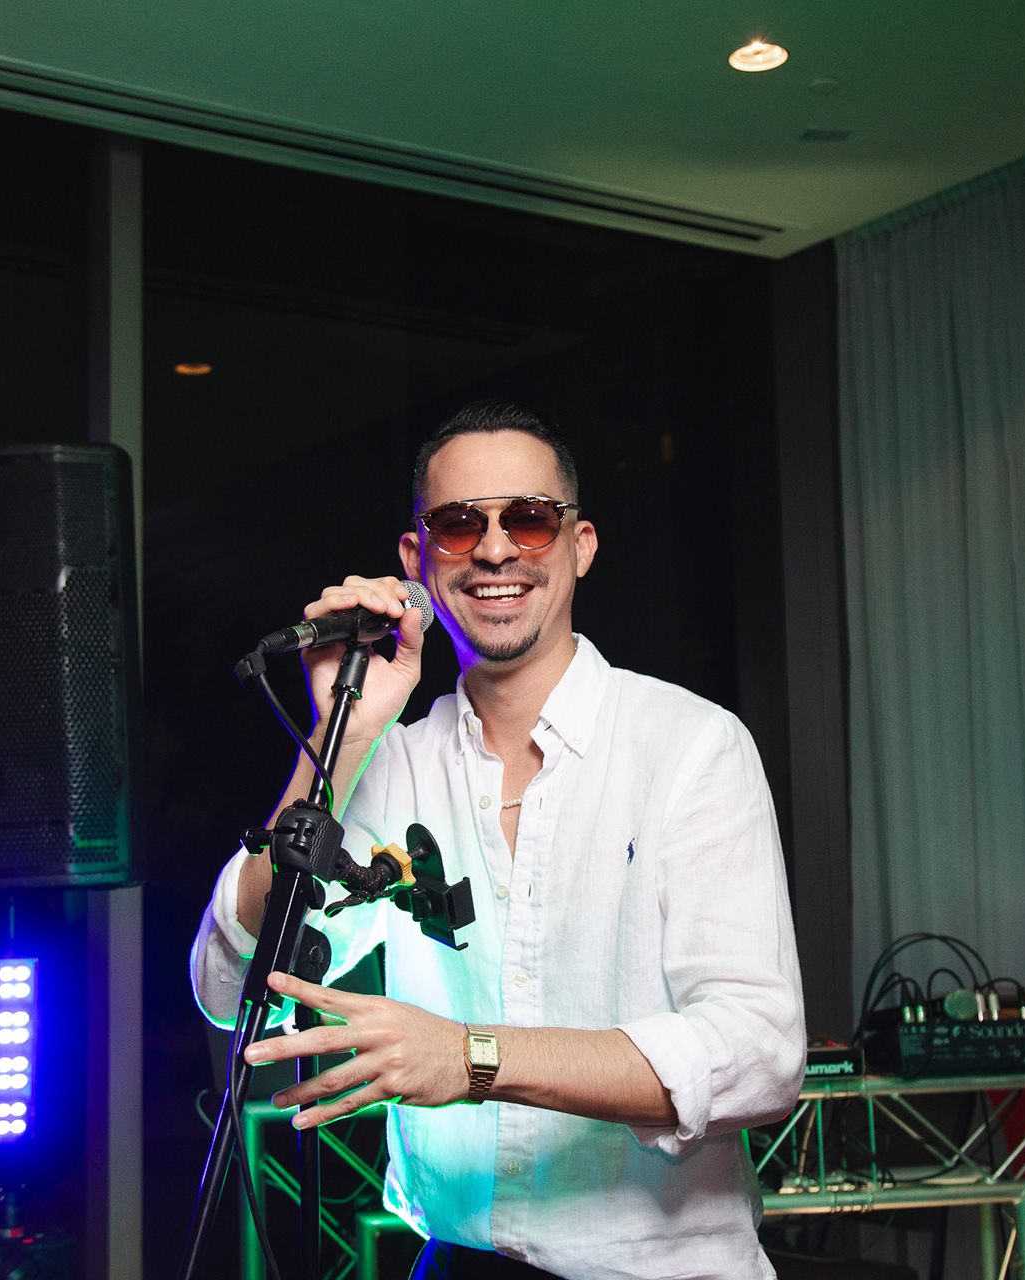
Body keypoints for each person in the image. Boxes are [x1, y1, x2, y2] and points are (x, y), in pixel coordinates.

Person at [191, 402, 805, 1280]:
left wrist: (472, 1058)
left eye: (528, 519)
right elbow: (230, 984)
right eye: (457, 524)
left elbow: (759, 1055)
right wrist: (338, 737)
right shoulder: (391, 764)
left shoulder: (690, 746)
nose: (493, 550)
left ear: (580, 546)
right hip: (456, 1263)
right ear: (417, 561)